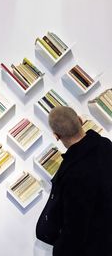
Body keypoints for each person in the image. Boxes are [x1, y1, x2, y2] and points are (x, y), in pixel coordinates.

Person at [36, 106, 112, 256]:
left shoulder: (70, 173)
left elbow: (75, 227)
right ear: (80, 120)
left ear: (56, 135)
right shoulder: (107, 146)